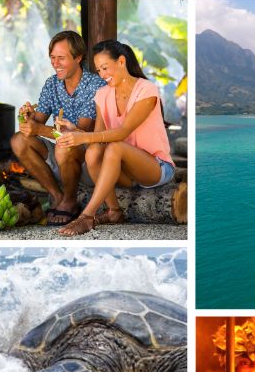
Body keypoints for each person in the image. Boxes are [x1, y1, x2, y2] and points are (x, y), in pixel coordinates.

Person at [55, 39, 175, 236]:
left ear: (121, 61)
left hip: (156, 167)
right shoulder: (102, 95)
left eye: (105, 68)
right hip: (124, 170)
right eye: (98, 70)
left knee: (115, 146)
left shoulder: (146, 89)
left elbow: (122, 132)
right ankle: (114, 211)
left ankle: (86, 216)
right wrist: (74, 130)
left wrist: (82, 138)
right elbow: (99, 138)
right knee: (94, 151)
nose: (103, 75)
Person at [11, 30, 105, 226]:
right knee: (18, 139)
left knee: (65, 145)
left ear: (78, 57)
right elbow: (37, 120)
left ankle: (70, 201)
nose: (55, 63)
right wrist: (27, 117)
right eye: (52, 57)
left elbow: (79, 134)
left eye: (61, 58)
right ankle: (56, 195)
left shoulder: (94, 85)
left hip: (89, 158)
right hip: (63, 149)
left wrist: (37, 129)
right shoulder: (51, 83)